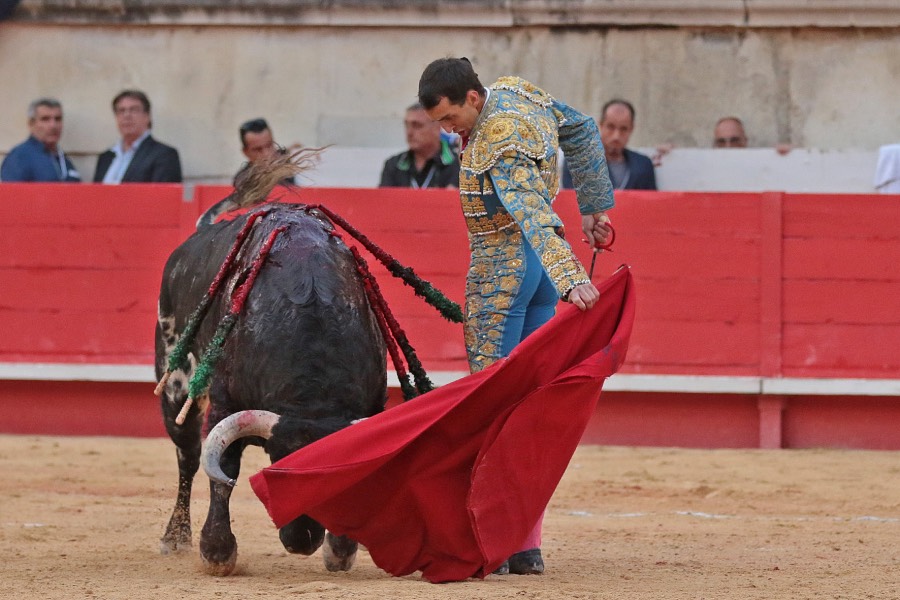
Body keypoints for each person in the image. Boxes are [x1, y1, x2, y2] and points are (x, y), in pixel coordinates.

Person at [418, 57, 614, 576]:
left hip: (503, 278)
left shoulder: (496, 139)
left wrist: (570, 275)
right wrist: (593, 208)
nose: (448, 130)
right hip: (539, 278)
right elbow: (581, 128)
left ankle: (492, 541)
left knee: (491, 410)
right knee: (528, 408)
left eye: (449, 117)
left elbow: (530, 212)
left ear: (472, 98)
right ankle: (526, 545)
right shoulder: (516, 92)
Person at [562, 99, 656, 190]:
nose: (616, 136)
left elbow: (653, 199)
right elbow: (571, 198)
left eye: (623, 129)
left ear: (631, 129)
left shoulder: (643, 165)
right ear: (601, 125)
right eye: (611, 127)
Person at [93, 89, 182, 183]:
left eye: (134, 110)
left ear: (147, 116)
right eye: (121, 111)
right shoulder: (106, 157)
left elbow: (163, 191)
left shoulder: (164, 155)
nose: (127, 115)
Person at [379, 103, 460, 188]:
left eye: (417, 125)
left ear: (437, 128)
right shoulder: (394, 165)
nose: (409, 132)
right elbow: (383, 196)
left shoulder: (458, 164)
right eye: (407, 125)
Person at [1, 98, 81, 182]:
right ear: (31, 124)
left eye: (58, 119)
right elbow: (10, 189)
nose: (53, 125)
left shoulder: (63, 158)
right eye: (45, 119)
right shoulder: (20, 157)